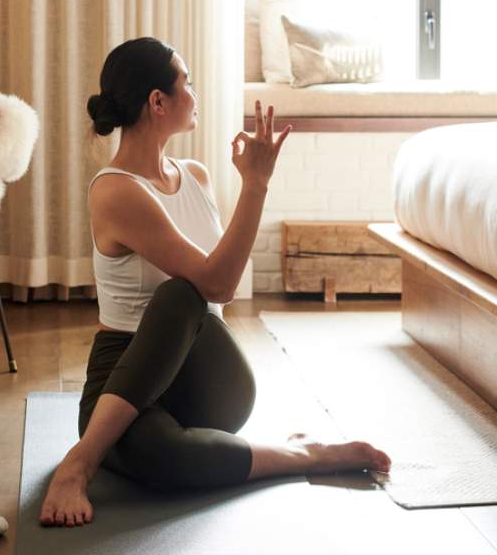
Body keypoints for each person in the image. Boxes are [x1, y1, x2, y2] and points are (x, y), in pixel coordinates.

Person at [39, 37, 391, 528]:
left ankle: (83, 460)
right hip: (123, 379)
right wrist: (255, 185)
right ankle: (303, 456)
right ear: (157, 102)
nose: (196, 93)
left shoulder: (197, 176)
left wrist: (254, 185)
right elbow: (216, 283)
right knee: (165, 448)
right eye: (187, 83)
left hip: (210, 379)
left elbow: (221, 283)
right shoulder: (116, 191)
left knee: (187, 294)